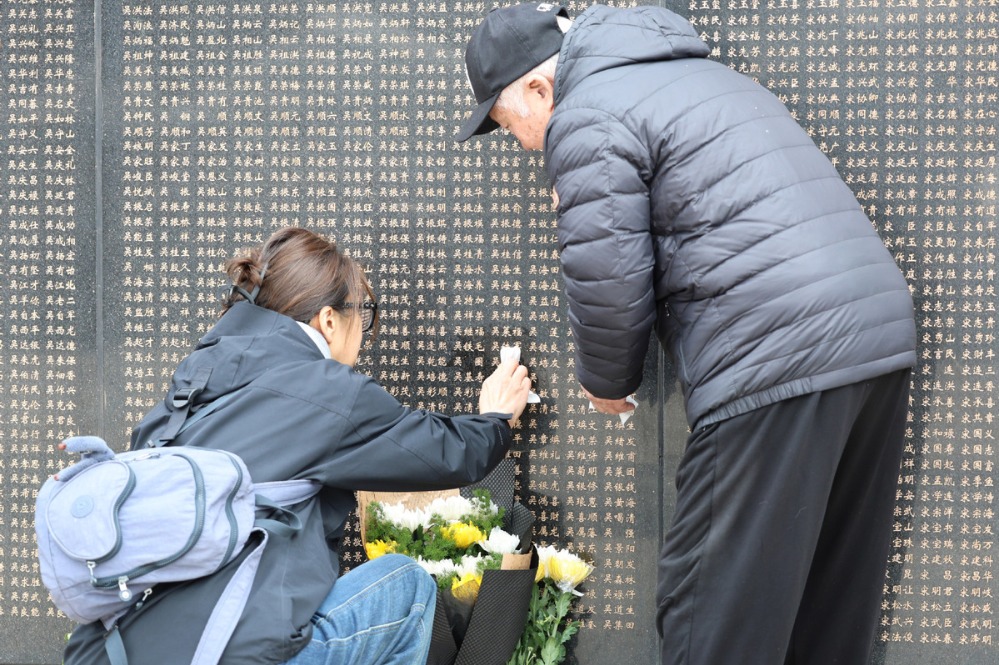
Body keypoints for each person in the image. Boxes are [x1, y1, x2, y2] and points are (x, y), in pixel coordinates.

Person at [457, 4, 917, 664]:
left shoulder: (587, 113)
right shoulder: (698, 76)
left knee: (710, 608)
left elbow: (606, 269)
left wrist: (606, 382)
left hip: (772, 353)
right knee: (826, 606)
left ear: (539, 87)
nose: (527, 146)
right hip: (874, 341)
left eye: (510, 126)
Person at [63, 226, 532, 664]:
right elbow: (448, 451)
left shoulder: (195, 381)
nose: (363, 335)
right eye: (362, 315)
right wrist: (495, 419)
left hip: (112, 649)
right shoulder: (323, 389)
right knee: (405, 587)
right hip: (229, 653)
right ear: (329, 320)